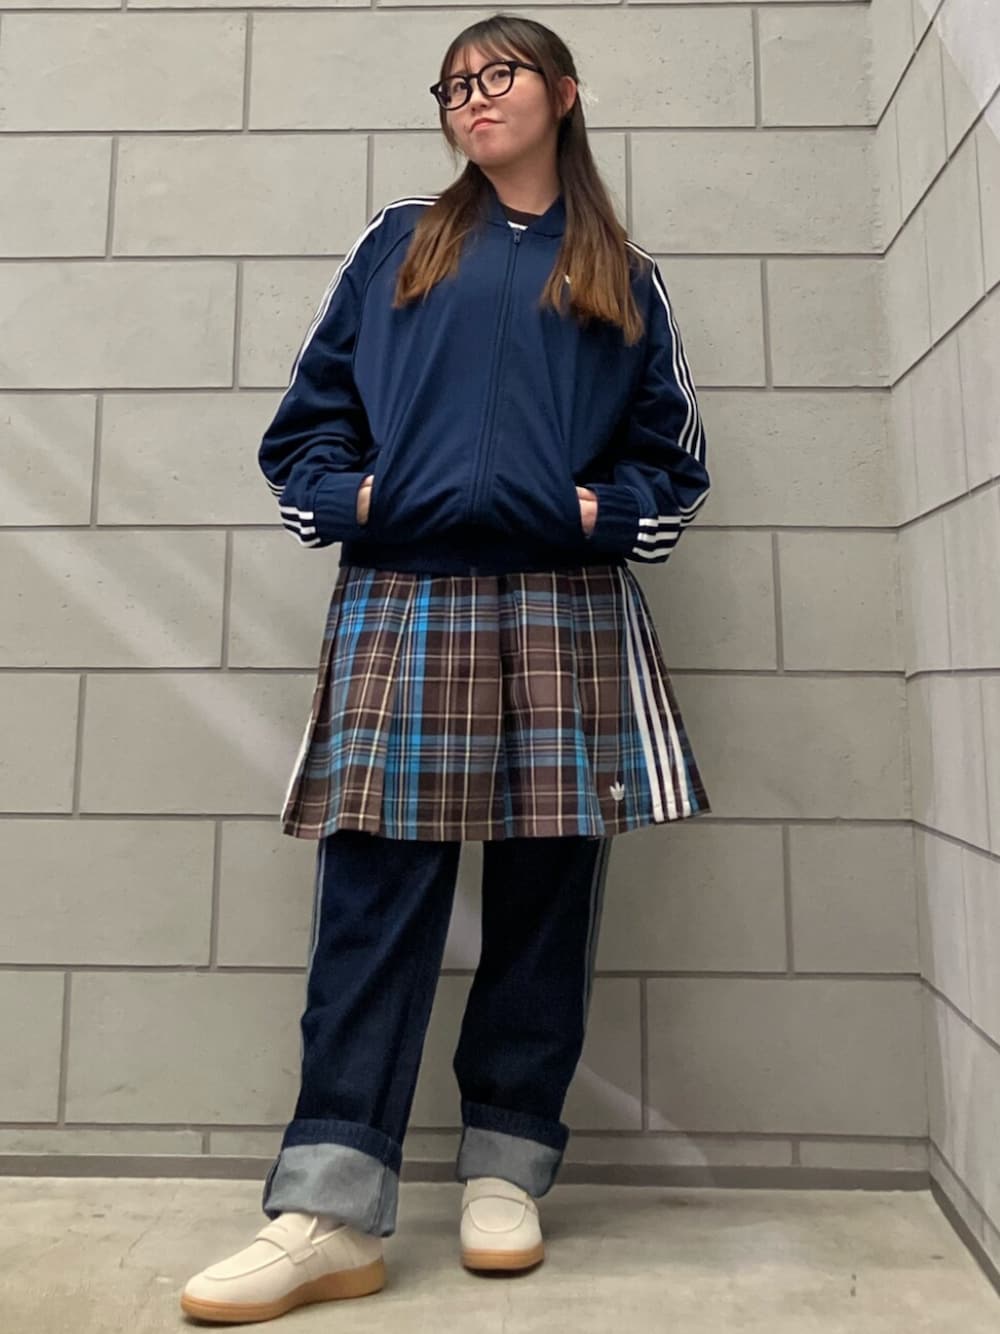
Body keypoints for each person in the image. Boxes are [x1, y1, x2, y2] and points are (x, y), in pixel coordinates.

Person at [180, 11, 711, 1324]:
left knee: (546, 898)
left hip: (565, 608)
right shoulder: (399, 242)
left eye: (500, 74)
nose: (472, 97)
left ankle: (506, 1171)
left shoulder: (624, 274)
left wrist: (594, 513)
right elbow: (306, 431)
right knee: (374, 896)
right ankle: (328, 1208)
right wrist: (361, 500)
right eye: (454, 83)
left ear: (564, 95)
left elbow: (673, 464)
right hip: (406, 599)